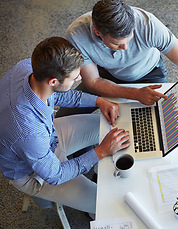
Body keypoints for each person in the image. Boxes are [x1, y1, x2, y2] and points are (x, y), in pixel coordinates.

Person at [66, 0, 178, 142]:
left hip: (149, 74)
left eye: (130, 38)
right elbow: (93, 82)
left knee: (153, 131)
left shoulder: (148, 24)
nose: (125, 48)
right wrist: (134, 94)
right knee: (64, 119)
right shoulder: (77, 34)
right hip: (104, 75)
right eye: (117, 44)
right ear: (98, 33)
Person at [0, 37, 130, 215]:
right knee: (107, 204)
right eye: (75, 76)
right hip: (33, 172)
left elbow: (60, 95)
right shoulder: (28, 131)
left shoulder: (28, 67)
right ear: (53, 81)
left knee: (110, 126)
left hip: (47, 137)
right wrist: (101, 151)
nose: (80, 77)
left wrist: (99, 101)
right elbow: (55, 175)